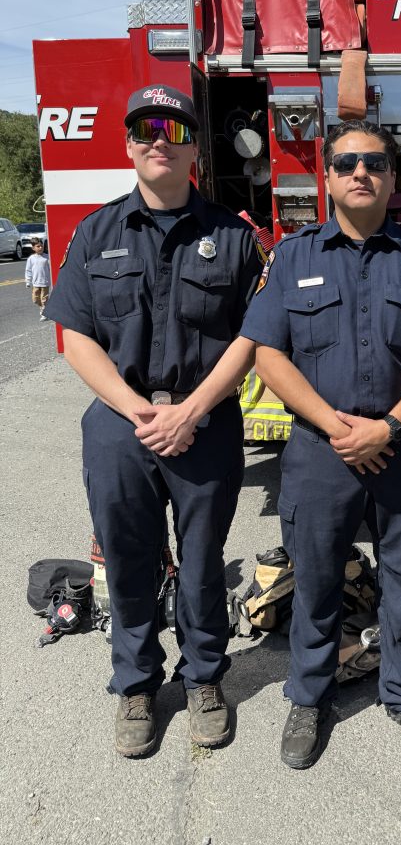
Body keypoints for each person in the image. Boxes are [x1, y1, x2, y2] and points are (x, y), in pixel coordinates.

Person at [234, 118, 401, 769]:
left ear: (393, 177)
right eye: (346, 163)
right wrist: (340, 428)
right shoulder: (292, 256)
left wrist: (388, 425)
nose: (360, 172)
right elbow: (268, 354)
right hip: (321, 449)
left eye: (374, 162)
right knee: (313, 580)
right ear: (327, 177)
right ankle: (308, 698)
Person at [44, 84, 262, 758]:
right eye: (143, 129)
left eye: (172, 127)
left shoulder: (232, 236)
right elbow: (75, 333)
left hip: (207, 421)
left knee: (201, 564)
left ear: (194, 145)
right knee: (130, 564)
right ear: (128, 144)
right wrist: (134, 406)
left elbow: (254, 336)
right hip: (120, 422)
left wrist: (193, 409)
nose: (157, 139)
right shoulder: (96, 232)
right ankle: (136, 685)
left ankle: (203, 680)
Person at [25, 238, 51, 319]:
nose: (40, 248)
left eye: (41, 246)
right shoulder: (31, 259)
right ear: (33, 248)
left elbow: (51, 269)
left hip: (45, 282)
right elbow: (28, 270)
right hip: (35, 283)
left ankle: (44, 312)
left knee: (44, 299)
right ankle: (43, 308)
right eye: (38, 246)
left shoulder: (47, 257)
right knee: (35, 299)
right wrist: (28, 281)